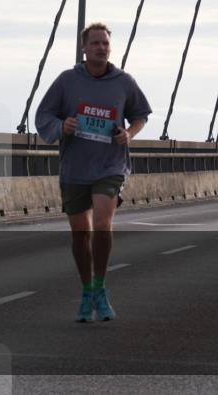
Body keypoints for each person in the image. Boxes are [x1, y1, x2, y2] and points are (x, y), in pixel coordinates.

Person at [35, 23, 152, 322]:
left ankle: (100, 286)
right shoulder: (66, 81)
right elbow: (43, 115)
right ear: (84, 48)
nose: (101, 47)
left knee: (102, 223)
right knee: (80, 234)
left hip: (110, 166)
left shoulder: (124, 82)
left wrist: (129, 133)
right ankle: (87, 290)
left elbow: (141, 115)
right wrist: (62, 126)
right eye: (95, 43)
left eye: (105, 43)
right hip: (75, 166)